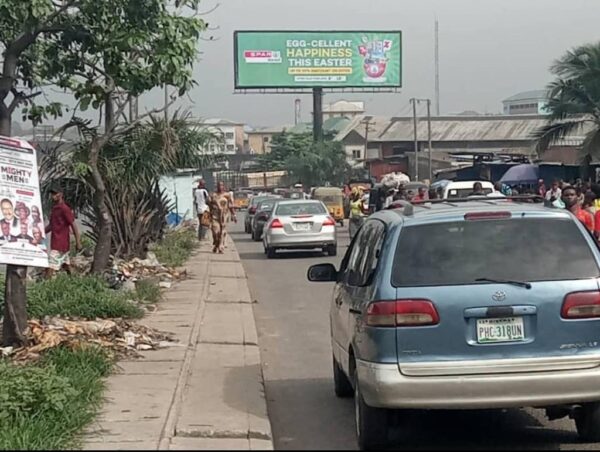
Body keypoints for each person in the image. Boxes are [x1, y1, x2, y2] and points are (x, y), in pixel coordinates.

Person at [45, 186, 82, 277]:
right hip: (56, 242)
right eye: (52, 194)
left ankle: (45, 285)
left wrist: (78, 242)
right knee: (66, 265)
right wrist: (40, 233)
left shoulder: (64, 209)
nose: (53, 196)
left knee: (51, 265)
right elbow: (51, 226)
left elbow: (73, 224)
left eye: (55, 193)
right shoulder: (55, 209)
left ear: (60, 194)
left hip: (60, 243)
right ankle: (74, 280)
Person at [208, 181, 236, 254]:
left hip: (224, 216)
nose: (220, 187)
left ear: (224, 186)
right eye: (219, 185)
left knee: (222, 232)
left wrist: (233, 214)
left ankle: (220, 247)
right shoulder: (213, 195)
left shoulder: (227, 195)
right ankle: (216, 245)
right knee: (215, 232)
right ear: (216, 186)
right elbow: (209, 205)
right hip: (215, 216)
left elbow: (231, 205)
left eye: (221, 185)